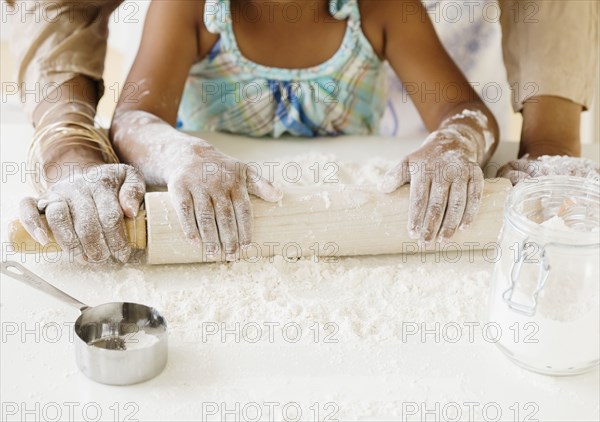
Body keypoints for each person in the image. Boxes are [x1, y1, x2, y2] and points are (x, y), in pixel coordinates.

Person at [7, 0, 598, 263]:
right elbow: (135, 118)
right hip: (209, 171)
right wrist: (182, 155)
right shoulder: (192, 7)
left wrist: (453, 144)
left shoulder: (381, 7)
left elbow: (465, 114)